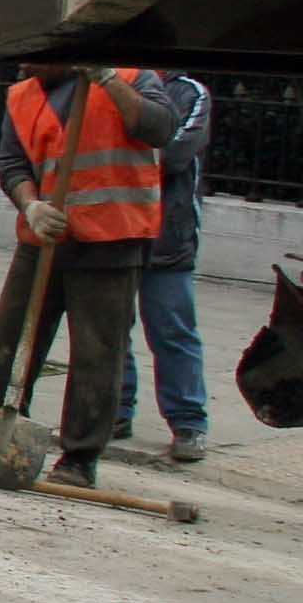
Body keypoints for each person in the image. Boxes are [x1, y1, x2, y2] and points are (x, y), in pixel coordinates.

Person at [0, 61, 186, 488]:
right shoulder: (22, 95)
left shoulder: (129, 80)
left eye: (34, 55)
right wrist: (32, 206)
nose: (23, 64)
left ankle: (79, 458)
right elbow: (11, 164)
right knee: (9, 339)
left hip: (112, 238)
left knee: (96, 352)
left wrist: (106, 80)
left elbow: (161, 129)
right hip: (44, 239)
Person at [117, 70, 214, 463]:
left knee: (172, 329)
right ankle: (113, 411)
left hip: (167, 234)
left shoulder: (189, 93)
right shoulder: (118, 82)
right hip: (117, 224)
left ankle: (188, 421)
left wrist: (121, 155)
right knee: (110, 328)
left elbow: (174, 152)